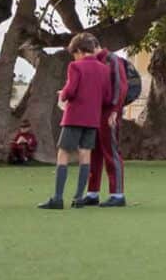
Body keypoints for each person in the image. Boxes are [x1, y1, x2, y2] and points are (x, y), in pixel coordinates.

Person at [40, 33, 112, 210]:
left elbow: (70, 91)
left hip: (74, 116)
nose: (75, 57)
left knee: (63, 153)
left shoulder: (75, 66)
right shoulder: (104, 69)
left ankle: (58, 198)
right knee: (85, 154)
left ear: (79, 50)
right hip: (92, 118)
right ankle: (79, 198)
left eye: (75, 53)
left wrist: (62, 93)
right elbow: (107, 96)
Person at [83, 48, 130, 207]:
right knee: (93, 153)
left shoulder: (112, 60)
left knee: (111, 152)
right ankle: (92, 192)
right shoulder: (93, 62)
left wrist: (115, 111)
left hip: (109, 113)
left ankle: (117, 194)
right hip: (94, 112)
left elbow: (120, 87)